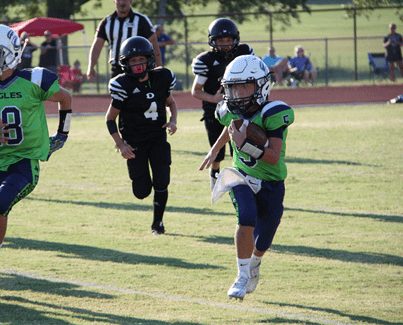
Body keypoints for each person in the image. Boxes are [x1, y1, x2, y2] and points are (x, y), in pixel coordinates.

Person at [0, 24, 73, 296]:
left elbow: (65, 98)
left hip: (23, 161)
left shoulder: (34, 80)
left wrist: (62, 134)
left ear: (10, 54)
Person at [198, 55, 295, 301]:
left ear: (261, 86)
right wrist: (215, 149)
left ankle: (254, 263)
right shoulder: (231, 109)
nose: (239, 93)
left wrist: (243, 144)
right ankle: (241, 276)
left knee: (263, 240)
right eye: (234, 87)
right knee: (246, 218)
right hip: (240, 175)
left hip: (271, 182)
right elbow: (229, 125)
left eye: (245, 86)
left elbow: (273, 157)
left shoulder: (273, 113)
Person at [105, 36, 178, 236]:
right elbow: (110, 119)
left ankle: (158, 223)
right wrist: (120, 144)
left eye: (141, 60)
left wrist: (173, 120)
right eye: (133, 61)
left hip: (157, 139)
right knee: (141, 191)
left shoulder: (161, 78)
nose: (138, 64)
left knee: (162, 182)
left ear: (149, 59)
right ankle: (155, 216)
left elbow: (171, 103)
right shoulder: (123, 85)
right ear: (126, 64)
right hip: (135, 143)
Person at [190, 17, 255, 191]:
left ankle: (241, 181)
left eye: (228, 40)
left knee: (240, 148)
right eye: (221, 40)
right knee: (217, 153)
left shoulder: (244, 52)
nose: (225, 44)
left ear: (235, 39)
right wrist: (214, 99)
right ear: (213, 41)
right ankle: (215, 173)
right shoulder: (207, 60)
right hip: (215, 110)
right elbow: (196, 90)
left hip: (241, 108)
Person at [86, 0, 162, 82]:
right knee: (117, 95)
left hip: (138, 68)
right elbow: (97, 46)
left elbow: (154, 45)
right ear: (114, 2)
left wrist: (158, 69)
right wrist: (91, 67)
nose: (122, 2)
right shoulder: (107, 22)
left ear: (130, 1)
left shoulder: (141, 20)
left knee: (140, 96)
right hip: (117, 68)